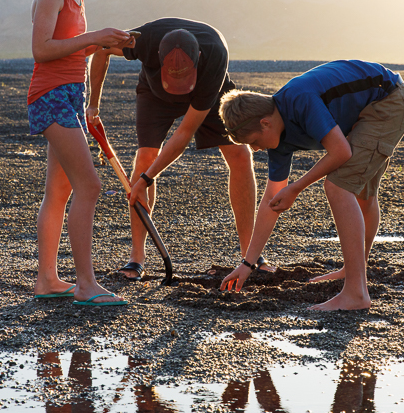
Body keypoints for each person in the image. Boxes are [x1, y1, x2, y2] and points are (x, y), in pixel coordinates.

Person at [217, 60, 404, 311]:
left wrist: (297, 187)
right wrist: (247, 264)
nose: (255, 149)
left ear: (266, 122)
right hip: (369, 110)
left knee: (337, 187)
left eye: (254, 141)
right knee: (361, 193)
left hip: (389, 101)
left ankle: (356, 293)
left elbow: (340, 152)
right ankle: (354, 271)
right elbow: (272, 202)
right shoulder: (277, 140)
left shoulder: (299, 99)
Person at [89, 18, 270, 280]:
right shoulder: (144, 40)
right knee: (145, 157)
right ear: (158, 58)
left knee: (240, 154)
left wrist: (146, 180)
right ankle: (136, 259)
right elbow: (101, 47)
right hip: (154, 94)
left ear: (197, 57)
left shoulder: (215, 55)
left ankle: (250, 255)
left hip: (207, 92)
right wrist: (93, 104)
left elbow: (184, 133)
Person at [27, 0, 133, 307]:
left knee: (59, 191)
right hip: (51, 96)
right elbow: (41, 50)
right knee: (90, 186)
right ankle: (86, 285)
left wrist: (105, 44)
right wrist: (93, 37)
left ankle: (48, 280)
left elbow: (70, 49)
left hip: (69, 96)